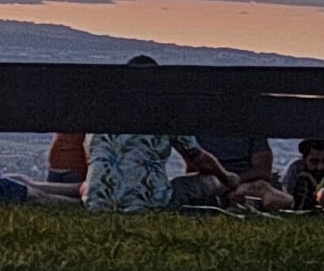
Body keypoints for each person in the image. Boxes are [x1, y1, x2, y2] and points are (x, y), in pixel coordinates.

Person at [84, 56, 233, 212]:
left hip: (97, 202)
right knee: (211, 181)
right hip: (151, 203)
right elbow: (202, 161)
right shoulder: (164, 113)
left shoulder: (101, 113)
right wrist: (228, 178)